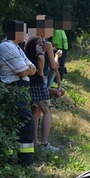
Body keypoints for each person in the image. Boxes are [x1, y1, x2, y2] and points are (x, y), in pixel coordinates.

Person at [0, 20, 36, 165]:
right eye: (23, 31)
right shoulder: (7, 47)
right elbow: (25, 70)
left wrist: (27, 68)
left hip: (20, 90)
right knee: (25, 124)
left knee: (21, 124)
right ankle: (21, 163)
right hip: (13, 90)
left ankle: (16, 161)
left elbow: (33, 69)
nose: (25, 34)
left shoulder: (17, 48)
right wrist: (27, 68)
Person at [23, 17, 60, 152]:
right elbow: (47, 61)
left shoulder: (29, 38)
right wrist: (40, 72)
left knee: (36, 111)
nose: (52, 31)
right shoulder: (40, 40)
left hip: (29, 80)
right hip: (38, 81)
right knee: (47, 110)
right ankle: (44, 144)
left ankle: (34, 141)